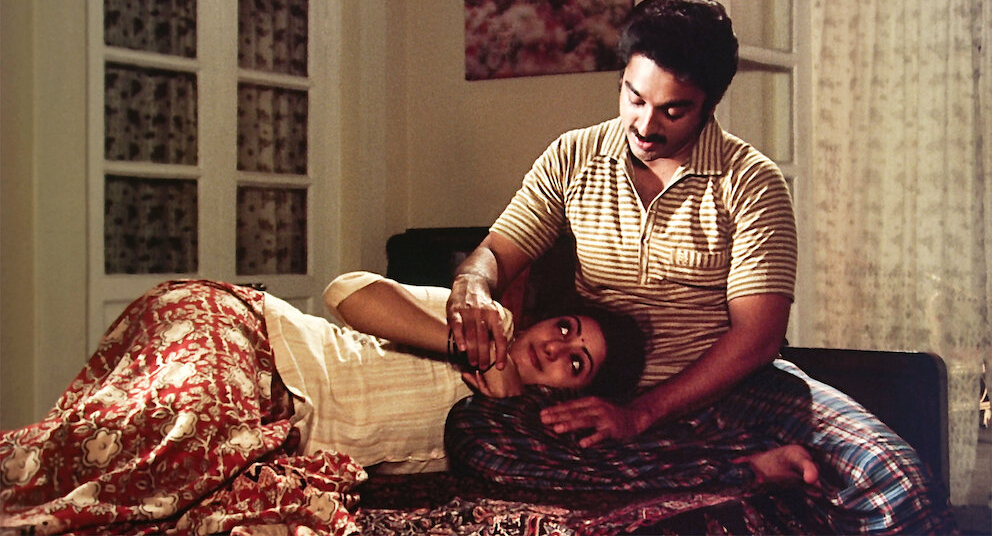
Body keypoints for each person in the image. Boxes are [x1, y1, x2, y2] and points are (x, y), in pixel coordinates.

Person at [444, 0, 957, 534]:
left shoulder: (752, 182)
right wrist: (471, 285)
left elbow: (758, 338)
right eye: (634, 98)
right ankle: (741, 472)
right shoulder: (572, 157)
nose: (645, 125)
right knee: (478, 439)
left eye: (673, 110)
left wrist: (641, 415)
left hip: (737, 393)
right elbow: (495, 255)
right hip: (602, 394)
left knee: (897, 481)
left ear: (710, 103)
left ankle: (708, 466)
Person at [0, 272, 645, 535]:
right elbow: (347, 292)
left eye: (576, 362)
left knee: (163, 481)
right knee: (177, 427)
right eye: (565, 328)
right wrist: (464, 346)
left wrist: (504, 403)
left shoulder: (509, 435)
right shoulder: (485, 320)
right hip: (248, 336)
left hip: (267, 427)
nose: (557, 348)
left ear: (574, 393)